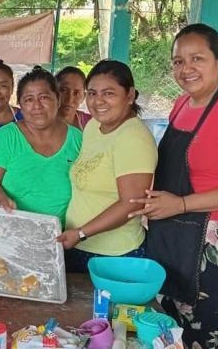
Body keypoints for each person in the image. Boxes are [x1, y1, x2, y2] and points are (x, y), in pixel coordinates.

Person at [129, 24, 218, 348]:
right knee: (169, 331)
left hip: (213, 244)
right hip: (171, 237)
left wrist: (181, 204)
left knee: (210, 337)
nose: (186, 69)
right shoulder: (181, 105)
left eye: (197, 58)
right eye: (178, 61)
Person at [57, 60, 156, 273]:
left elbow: (130, 204)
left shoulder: (133, 138)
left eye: (109, 93)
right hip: (79, 244)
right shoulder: (94, 126)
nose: (98, 101)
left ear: (130, 95)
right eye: (92, 93)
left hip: (114, 254)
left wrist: (82, 232)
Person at [0, 67, 82, 225]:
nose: (37, 106)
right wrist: (1, 198)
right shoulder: (7, 137)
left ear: (58, 100)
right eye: (28, 100)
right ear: (20, 104)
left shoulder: (78, 139)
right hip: (13, 228)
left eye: (44, 97)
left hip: (66, 234)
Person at [55, 66, 92, 130]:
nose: (69, 99)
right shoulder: (38, 123)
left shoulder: (91, 124)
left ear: (84, 96)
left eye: (76, 93)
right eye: (64, 90)